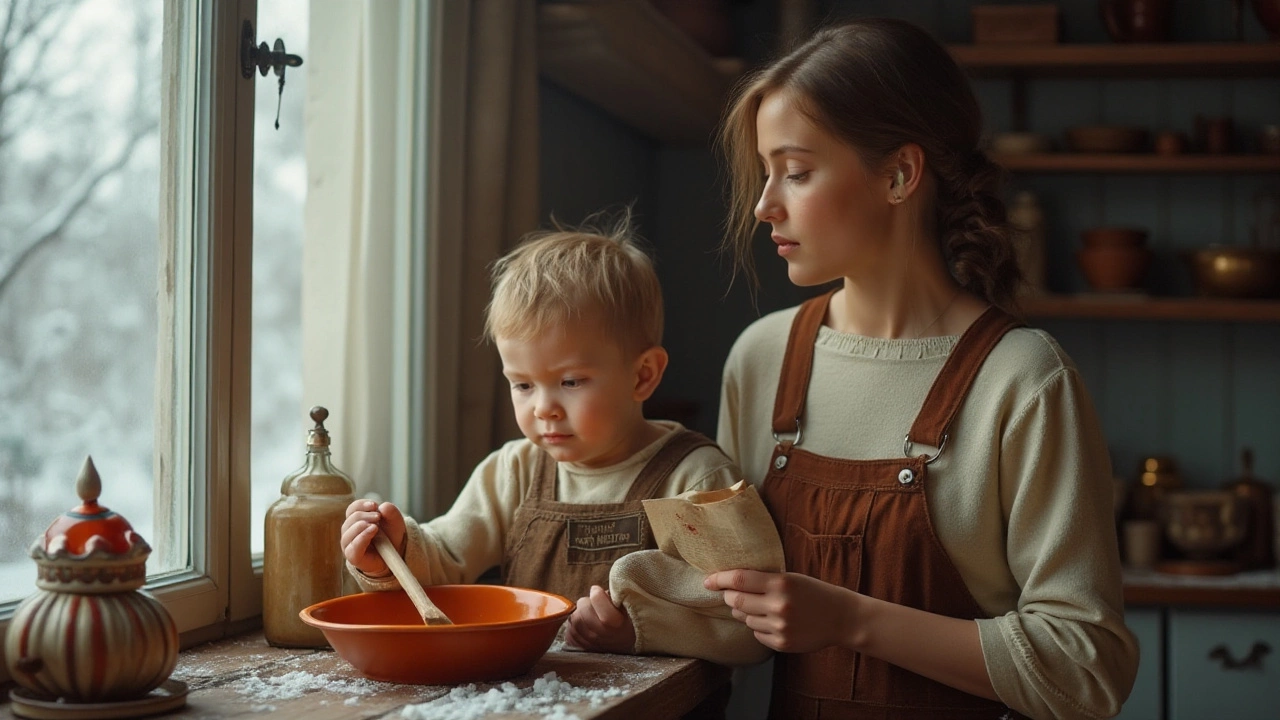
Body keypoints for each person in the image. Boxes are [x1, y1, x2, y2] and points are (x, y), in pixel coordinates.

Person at [701, 17, 1139, 720]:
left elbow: (1086, 672)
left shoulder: (1024, 379)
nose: (763, 206)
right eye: (765, 173)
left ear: (900, 174)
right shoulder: (761, 358)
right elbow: (736, 616)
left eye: (798, 171)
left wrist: (850, 621)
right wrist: (632, 617)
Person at [340, 212, 765, 666]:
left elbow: (747, 629)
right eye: (522, 385)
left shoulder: (698, 479)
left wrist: (637, 631)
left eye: (570, 382)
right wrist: (392, 555)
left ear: (643, 375)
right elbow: (445, 557)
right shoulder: (515, 471)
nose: (543, 407)